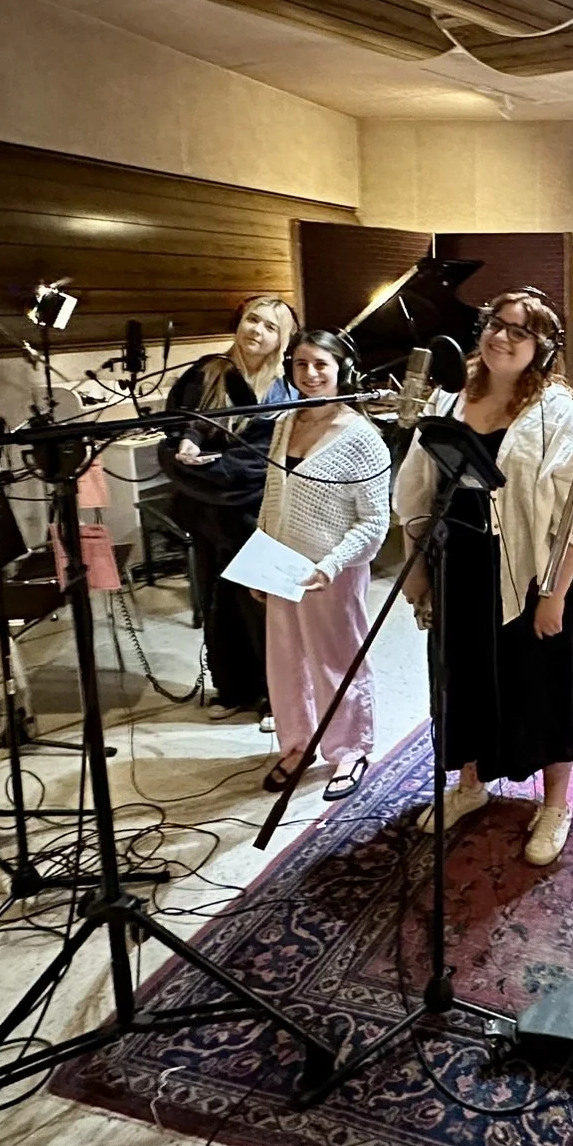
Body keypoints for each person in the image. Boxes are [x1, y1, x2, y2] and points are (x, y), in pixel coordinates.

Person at [393, 288, 573, 866]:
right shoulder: (449, 396)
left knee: (544, 686)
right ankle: (471, 783)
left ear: (542, 348)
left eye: (519, 331)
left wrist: (553, 595)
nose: (502, 337)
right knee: (460, 679)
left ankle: (554, 805)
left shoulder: (557, 413)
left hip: (533, 577)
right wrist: (415, 569)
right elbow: (416, 489)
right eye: (495, 323)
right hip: (458, 564)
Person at [257, 331, 390, 798]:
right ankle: (297, 745)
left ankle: (350, 749)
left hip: (332, 570)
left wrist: (331, 565)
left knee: (337, 662)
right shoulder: (284, 423)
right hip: (281, 563)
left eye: (321, 364)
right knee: (285, 662)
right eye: (301, 364)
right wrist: (260, 559)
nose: (310, 374)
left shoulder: (362, 437)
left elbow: (375, 520)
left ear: (341, 369)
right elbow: (272, 495)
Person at [160, 295, 299, 715]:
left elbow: (268, 455)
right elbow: (180, 424)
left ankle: (278, 697)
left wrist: (217, 466)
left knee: (262, 607)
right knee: (219, 603)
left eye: (270, 327)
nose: (257, 330)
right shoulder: (206, 372)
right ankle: (234, 689)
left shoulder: (287, 389)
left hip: (255, 509)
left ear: (282, 340)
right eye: (253, 320)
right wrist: (186, 444)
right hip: (208, 510)